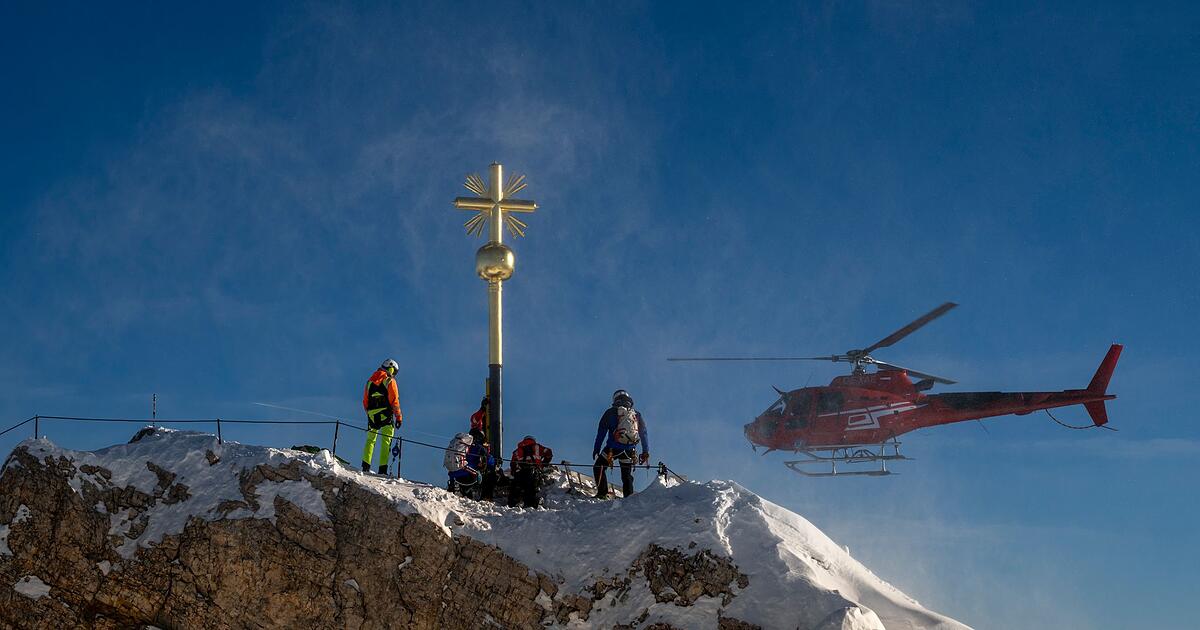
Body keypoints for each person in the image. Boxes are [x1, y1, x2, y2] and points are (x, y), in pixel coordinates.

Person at [592, 389, 650, 499]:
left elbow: (601, 433)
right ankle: (628, 498)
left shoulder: (610, 412)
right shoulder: (636, 414)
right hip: (629, 451)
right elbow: (644, 434)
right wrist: (645, 451)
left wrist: (596, 448)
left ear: (615, 399)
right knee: (626, 475)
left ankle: (602, 493)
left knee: (598, 467)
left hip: (612, 449)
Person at [362, 358, 403, 474]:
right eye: (394, 372)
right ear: (391, 368)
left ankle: (365, 466)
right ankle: (382, 469)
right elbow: (395, 401)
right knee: (386, 442)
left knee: (370, 440)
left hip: (372, 416)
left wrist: (370, 414)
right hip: (386, 415)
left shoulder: (369, 382)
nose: (394, 374)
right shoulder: (390, 381)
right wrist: (399, 417)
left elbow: (365, 402)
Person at [445, 432, 496, 500]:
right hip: (469, 475)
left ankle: (457, 489)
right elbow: (490, 461)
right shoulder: (479, 447)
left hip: (454, 475)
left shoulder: (461, 446)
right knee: (489, 475)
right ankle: (486, 497)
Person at [509, 435, 553, 508]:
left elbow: (513, 464)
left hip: (520, 472)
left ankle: (513, 504)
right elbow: (549, 452)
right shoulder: (537, 447)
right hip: (533, 471)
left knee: (517, 487)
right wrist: (544, 464)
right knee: (531, 487)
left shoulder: (516, 451)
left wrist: (513, 472)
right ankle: (530, 504)